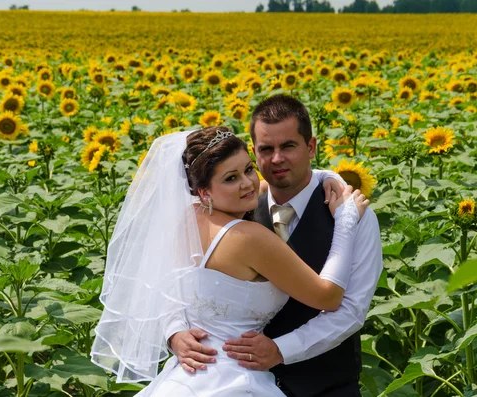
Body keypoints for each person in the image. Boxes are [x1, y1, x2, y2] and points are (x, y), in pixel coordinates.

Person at [91, 123, 370, 396]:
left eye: (248, 169)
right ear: (204, 191)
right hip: (235, 378)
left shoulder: (186, 218)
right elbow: (329, 296)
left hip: (187, 377)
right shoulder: (249, 239)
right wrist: (346, 221)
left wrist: (174, 332)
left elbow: (161, 285)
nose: (248, 183)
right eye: (230, 178)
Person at [169, 96, 383, 397]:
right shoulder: (233, 207)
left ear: (311, 147)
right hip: (226, 380)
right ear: (254, 152)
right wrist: (174, 332)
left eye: (289, 146)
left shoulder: (354, 214)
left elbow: (350, 309)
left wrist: (281, 350)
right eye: (266, 150)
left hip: (323, 385)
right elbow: (174, 284)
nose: (277, 159)